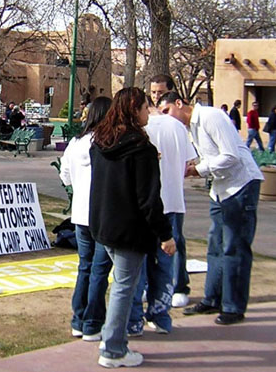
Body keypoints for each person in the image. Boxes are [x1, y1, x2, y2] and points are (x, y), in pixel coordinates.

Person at [158, 95, 263, 326]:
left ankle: (233, 307)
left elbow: (230, 155)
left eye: (167, 111)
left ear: (179, 103)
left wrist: (198, 170)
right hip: (220, 189)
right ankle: (213, 298)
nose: (166, 118)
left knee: (235, 247)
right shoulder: (190, 128)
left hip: (241, 186)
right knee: (215, 245)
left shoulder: (211, 116)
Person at [90, 87, 175, 368]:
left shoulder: (100, 142)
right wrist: (165, 234)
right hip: (129, 229)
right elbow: (149, 199)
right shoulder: (140, 149)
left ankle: (111, 339)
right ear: (133, 110)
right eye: (144, 107)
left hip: (104, 226)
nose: (148, 112)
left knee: (121, 284)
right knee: (124, 288)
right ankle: (113, 349)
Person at [127, 92, 197, 338]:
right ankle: (160, 315)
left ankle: (134, 319)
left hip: (145, 207)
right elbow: (189, 163)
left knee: (138, 266)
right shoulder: (177, 128)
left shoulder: (139, 129)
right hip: (172, 203)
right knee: (165, 263)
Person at [60, 96, 113, 343]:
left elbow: (65, 175)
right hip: (103, 214)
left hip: (81, 213)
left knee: (85, 266)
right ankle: (92, 322)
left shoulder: (75, 143)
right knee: (99, 269)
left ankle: (79, 319)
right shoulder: (108, 142)